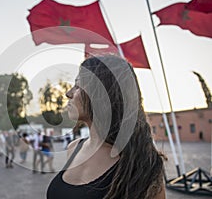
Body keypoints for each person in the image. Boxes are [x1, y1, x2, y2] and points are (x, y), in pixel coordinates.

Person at [47, 55, 166, 199]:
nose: (68, 93)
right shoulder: (74, 148)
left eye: (78, 86)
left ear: (102, 95)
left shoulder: (141, 164)